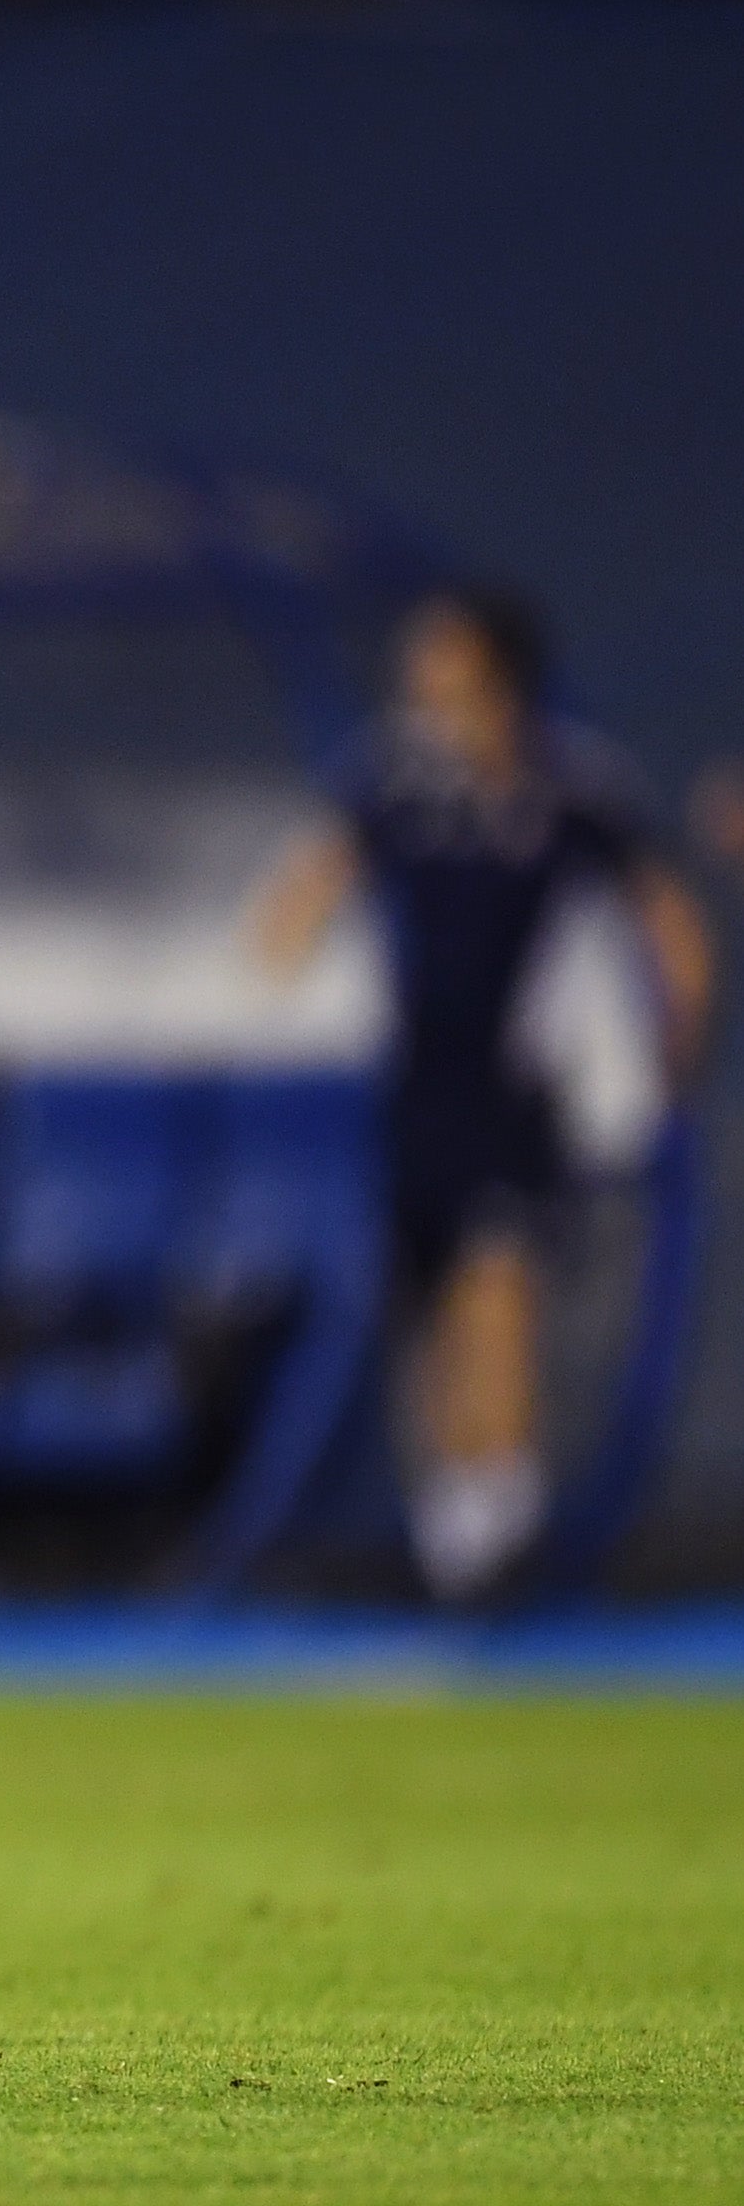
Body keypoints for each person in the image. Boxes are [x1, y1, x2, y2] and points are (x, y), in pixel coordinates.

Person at [246, 587, 713, 1603]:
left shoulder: (571, 785)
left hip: (515, 1085)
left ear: (495, 672)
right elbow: (312, 884)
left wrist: (680, 1031)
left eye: (443, 655)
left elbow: (665, 914)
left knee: (497, 1284)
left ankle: (502, 1509)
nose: (422, 674)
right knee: (427, 1312)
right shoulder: (396, 780)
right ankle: (457, 1524)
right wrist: (280, 941)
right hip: (418, 1085)